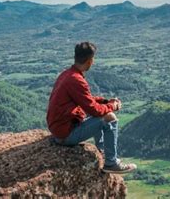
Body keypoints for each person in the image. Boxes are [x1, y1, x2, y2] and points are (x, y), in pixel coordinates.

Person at [46, 41, 137, 174]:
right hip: (65, 135)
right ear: (90, 61)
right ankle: (111, 163)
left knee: (98, 112)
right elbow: (94, 110)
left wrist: (105, 101)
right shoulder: (76, 80)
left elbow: (85, 100)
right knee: (110, 117)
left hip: (58, 130)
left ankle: (102, 151)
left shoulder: (67, 74)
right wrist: (113, 106)